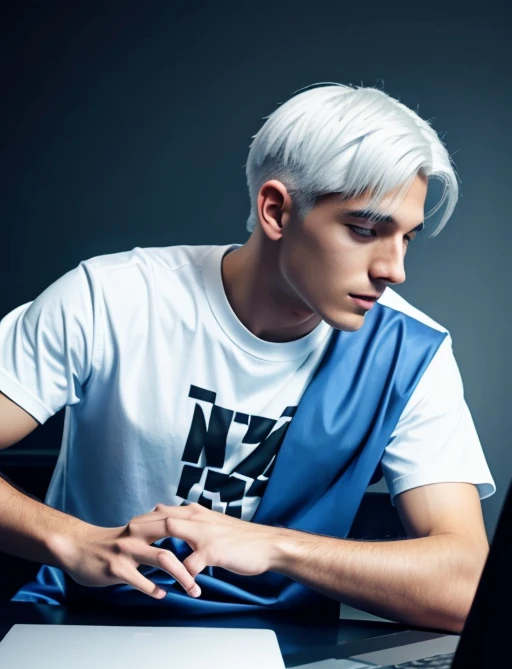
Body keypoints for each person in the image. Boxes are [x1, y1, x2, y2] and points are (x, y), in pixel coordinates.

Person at [0, 82, 495, 630]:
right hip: (85, 623)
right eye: (364, 230)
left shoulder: (411, 353)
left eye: (407, 239)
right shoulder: (112, 298)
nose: (393, 268)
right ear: (277, 210)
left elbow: (467, 586)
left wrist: (275, 547)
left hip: (290, 657)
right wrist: (76, 542)